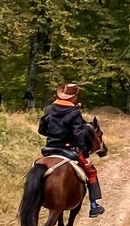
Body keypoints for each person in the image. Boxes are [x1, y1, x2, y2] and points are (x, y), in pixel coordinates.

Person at [38, 83, 105, 217]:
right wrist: (85, 151)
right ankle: (93, 206)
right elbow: (79, 134)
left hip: (49, 149)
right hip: (67, 149)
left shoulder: (49, 108)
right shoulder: (74, 112)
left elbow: (41, 129)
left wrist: (54, 136)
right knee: (91, 171)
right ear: (74, 97)